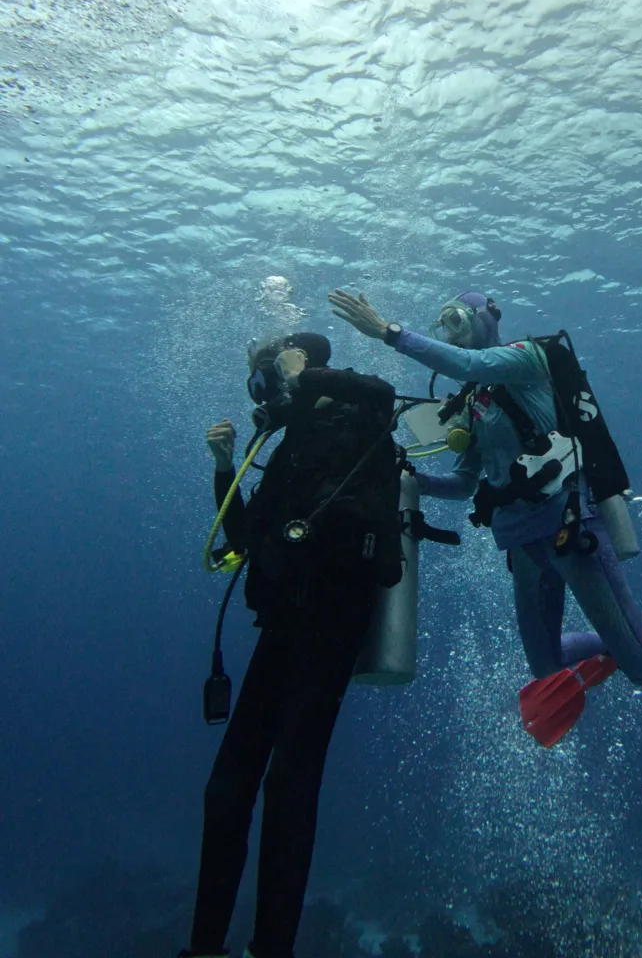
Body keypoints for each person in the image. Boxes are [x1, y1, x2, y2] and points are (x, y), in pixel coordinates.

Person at [328, 288, 642, 720]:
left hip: (568, 526)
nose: (450, 331)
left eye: (458, 319)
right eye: (443, 324)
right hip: (522, 545)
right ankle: (613, 644)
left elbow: (468, 362)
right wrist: (404, 479)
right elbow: (463, 483)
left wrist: (389, 331)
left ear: (487, 319)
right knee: (545, 667)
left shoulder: (526, 357)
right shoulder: (473, 403)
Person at [179, 331, 404, 958]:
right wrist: (225, 468)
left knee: (289, 787)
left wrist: (301, 374)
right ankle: (203, 950)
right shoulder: (287, 448)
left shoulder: (357, 412)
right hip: (282, 625)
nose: (263, 395)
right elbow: (243, 539)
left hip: (335, 618)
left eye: (266, 379)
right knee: (227, 789)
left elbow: (385, 396)